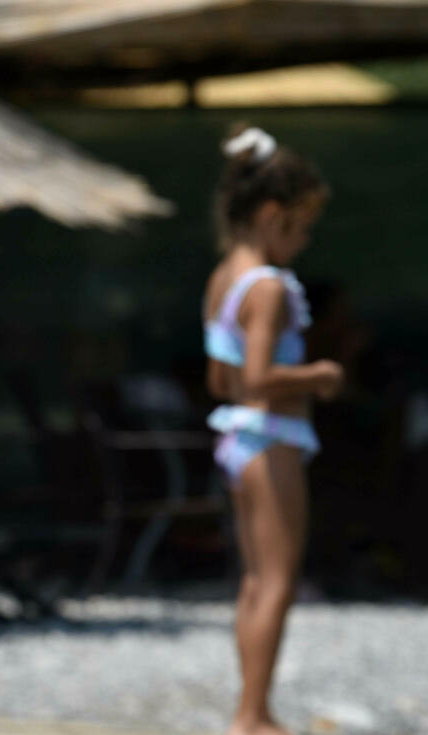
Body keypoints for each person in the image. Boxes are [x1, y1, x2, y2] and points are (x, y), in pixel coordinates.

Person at [202, 125, 344, 735]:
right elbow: (258, 379)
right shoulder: (268, 288)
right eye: (301, 225)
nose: (304, 240)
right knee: (281, 581)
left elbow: (220, 380)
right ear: (270, 215)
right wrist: (317, 374)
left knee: (255, 580)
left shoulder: (223, 279)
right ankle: (253, 714)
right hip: (272, 442)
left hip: (236, 439)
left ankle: (250, 707)